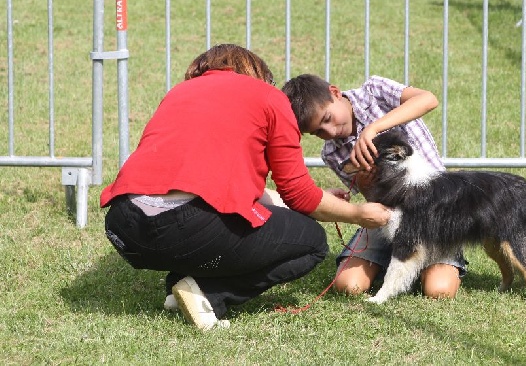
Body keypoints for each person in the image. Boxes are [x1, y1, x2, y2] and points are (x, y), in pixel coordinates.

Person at [101, 44, 390, 331]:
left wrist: (319, 199)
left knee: (212, 220)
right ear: (256, 71)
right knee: (311, 242)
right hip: (188, 226)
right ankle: (207, 295)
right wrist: (357, 213)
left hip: (125, 226)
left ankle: (177, 289)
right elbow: (298, 194)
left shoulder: (178, 93)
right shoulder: (270, 98)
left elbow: (226, 190)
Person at [281, 74, 467, 299]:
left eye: (327, 118)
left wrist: (373, 129)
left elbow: (428, 99)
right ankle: (398, 260)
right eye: (318, 132)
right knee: (349, 286)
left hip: (435, 209)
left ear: (335, 92)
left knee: (439, 290)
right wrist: (365, 183)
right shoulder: (332, 153)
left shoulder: (374, 91)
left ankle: (425, 262)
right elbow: (374, 203)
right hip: (390, 217)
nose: (329, 132)